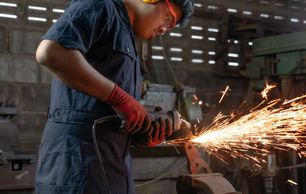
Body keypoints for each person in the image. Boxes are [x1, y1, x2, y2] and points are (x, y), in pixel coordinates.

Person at [34, 0, 194, 193]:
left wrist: (138, 132)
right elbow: (50, 52)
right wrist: (120, 99)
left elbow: (103, 111)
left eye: (170, 27)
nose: (164, 30)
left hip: (110, 169)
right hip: (76, 165)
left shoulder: (127, 38)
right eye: (168, 19)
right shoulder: (101, 6)